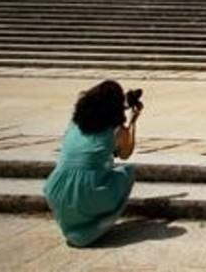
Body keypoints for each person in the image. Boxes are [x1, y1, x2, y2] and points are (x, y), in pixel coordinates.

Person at [43, 80, 142, 247]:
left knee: (101, 166)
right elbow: (125, 153)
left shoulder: (75, 122)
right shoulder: (116, 128)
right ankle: (94, 228)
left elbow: (100, 113)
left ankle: (74, 225)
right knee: (127, 173)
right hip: (87, 193)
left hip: (56, 189)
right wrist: (133, 121)